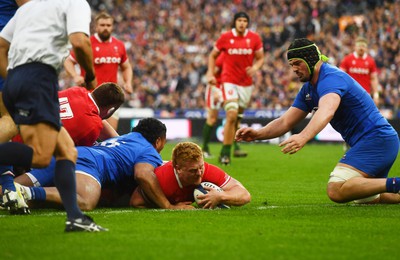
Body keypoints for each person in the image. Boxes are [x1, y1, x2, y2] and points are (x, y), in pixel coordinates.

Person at [236, 38, 400, 204]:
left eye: (297, 63)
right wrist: (258, 134)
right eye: (291, 64)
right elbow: (286, 121)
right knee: (365, 197)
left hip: (377, 140)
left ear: (310, 59)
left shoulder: (330, 78)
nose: (294, 69)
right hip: (375, 141)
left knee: (337, 189)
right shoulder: (309, 88)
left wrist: (303, 136)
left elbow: (327, 111)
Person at [0, 0, 107, 232]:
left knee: (67, 150)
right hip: (39, 80)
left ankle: (74, 218)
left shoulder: (29, 8)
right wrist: (90, 76)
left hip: (17, 79)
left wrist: (13, 80)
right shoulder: (75, 3)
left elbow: (0, 46)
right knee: (40, 156)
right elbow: (80, 42)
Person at [15, 118, 194, 211]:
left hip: (75, 153)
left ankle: (13, 191)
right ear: (158, 141)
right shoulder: (148, 150)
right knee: (86, 201)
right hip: (90, 164)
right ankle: (28, 193)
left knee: (11, 187)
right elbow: (143, 175)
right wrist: (168, 205)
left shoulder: (125, 138)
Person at [206, 11, 264, 165]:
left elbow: (260, 58)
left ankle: (231, 149)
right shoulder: (225, 37)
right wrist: (211, 74)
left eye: (245, 20)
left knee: (236, 119)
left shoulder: (254, 38)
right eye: (239, 20)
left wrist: (256, 68)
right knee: (231, 115)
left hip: (246, 84)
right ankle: (225, 154)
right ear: (235, 22)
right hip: (228, 81)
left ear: (247, 23)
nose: (242, 23)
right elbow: (212, 55)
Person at [64, 11, 133, 131]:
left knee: (109, 136)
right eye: (102, 25)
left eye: (108, 25)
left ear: (112, 26)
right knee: (87, 133)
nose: (105, 28)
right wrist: (75, 75)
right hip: (89, 96)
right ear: (96, 26)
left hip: (111, 97)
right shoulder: (87, 44)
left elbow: (126, 66)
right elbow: (68, 61)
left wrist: (128, 82)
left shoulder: (119, 45)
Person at [131, 142, 251, 209]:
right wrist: (169, 206)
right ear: (178, 169)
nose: (199, 173)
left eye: (201, 167)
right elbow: (136, 202)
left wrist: (221, 196)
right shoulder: (162, 179)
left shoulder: (208, 170)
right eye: (193, 171)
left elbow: (244, 195)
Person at [12, 82, 124, 147]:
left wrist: (120, 141)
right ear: (110, 110)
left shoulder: (77, 91)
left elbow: (92, 115)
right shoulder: (93, 125)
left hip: (14, 130)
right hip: (26, 151)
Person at [201, 53, 247, 159]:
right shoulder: (222, 57)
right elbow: (212, 74)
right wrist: (214, 90)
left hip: (229, 87)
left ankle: (235, 147)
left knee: (234, 116)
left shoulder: (239, 56)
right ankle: (204, 148)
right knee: (212, 119)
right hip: (216, 88)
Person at [339, 36, 379, 106]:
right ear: (355, 47)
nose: (361, 48)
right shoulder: (347, 59)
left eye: (363, 46)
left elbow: (374, 78)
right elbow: (340, 76)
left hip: (365, 95)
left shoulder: (370, 61)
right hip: (350, 94)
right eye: (359, 46)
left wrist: (376, 94)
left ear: (366, 48)